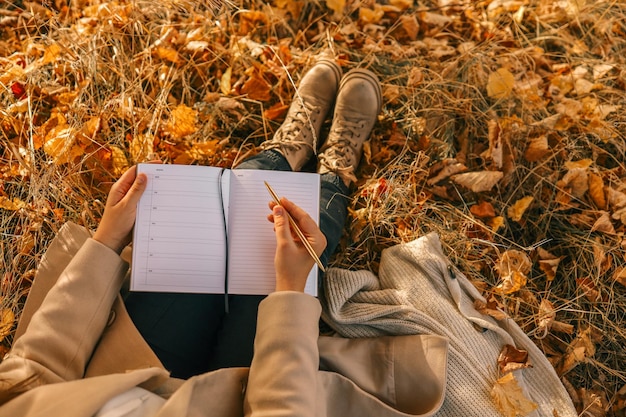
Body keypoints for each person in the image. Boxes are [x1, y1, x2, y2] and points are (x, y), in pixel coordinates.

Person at [0, 58, 450, 417]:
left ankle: (284, 153)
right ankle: (333, 178)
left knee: (221, 214)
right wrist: (291, 291)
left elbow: (35, 370)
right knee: (286, 249)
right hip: (243, 399)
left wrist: (106, 243)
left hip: (128, 364)